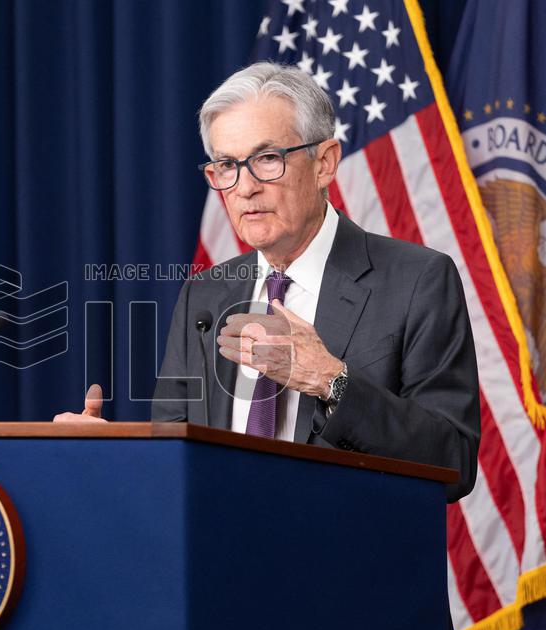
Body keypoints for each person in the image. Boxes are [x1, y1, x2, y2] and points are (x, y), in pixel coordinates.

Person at [56, 61, 479, 505]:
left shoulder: (417, 280)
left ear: (325, 163)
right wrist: (111, 455)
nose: (244, 188)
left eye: (267, 159)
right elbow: (175, 457)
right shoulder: (205, 293)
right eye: (227, 165)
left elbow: (453, 463)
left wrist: (331, 379)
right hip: (222, 545)